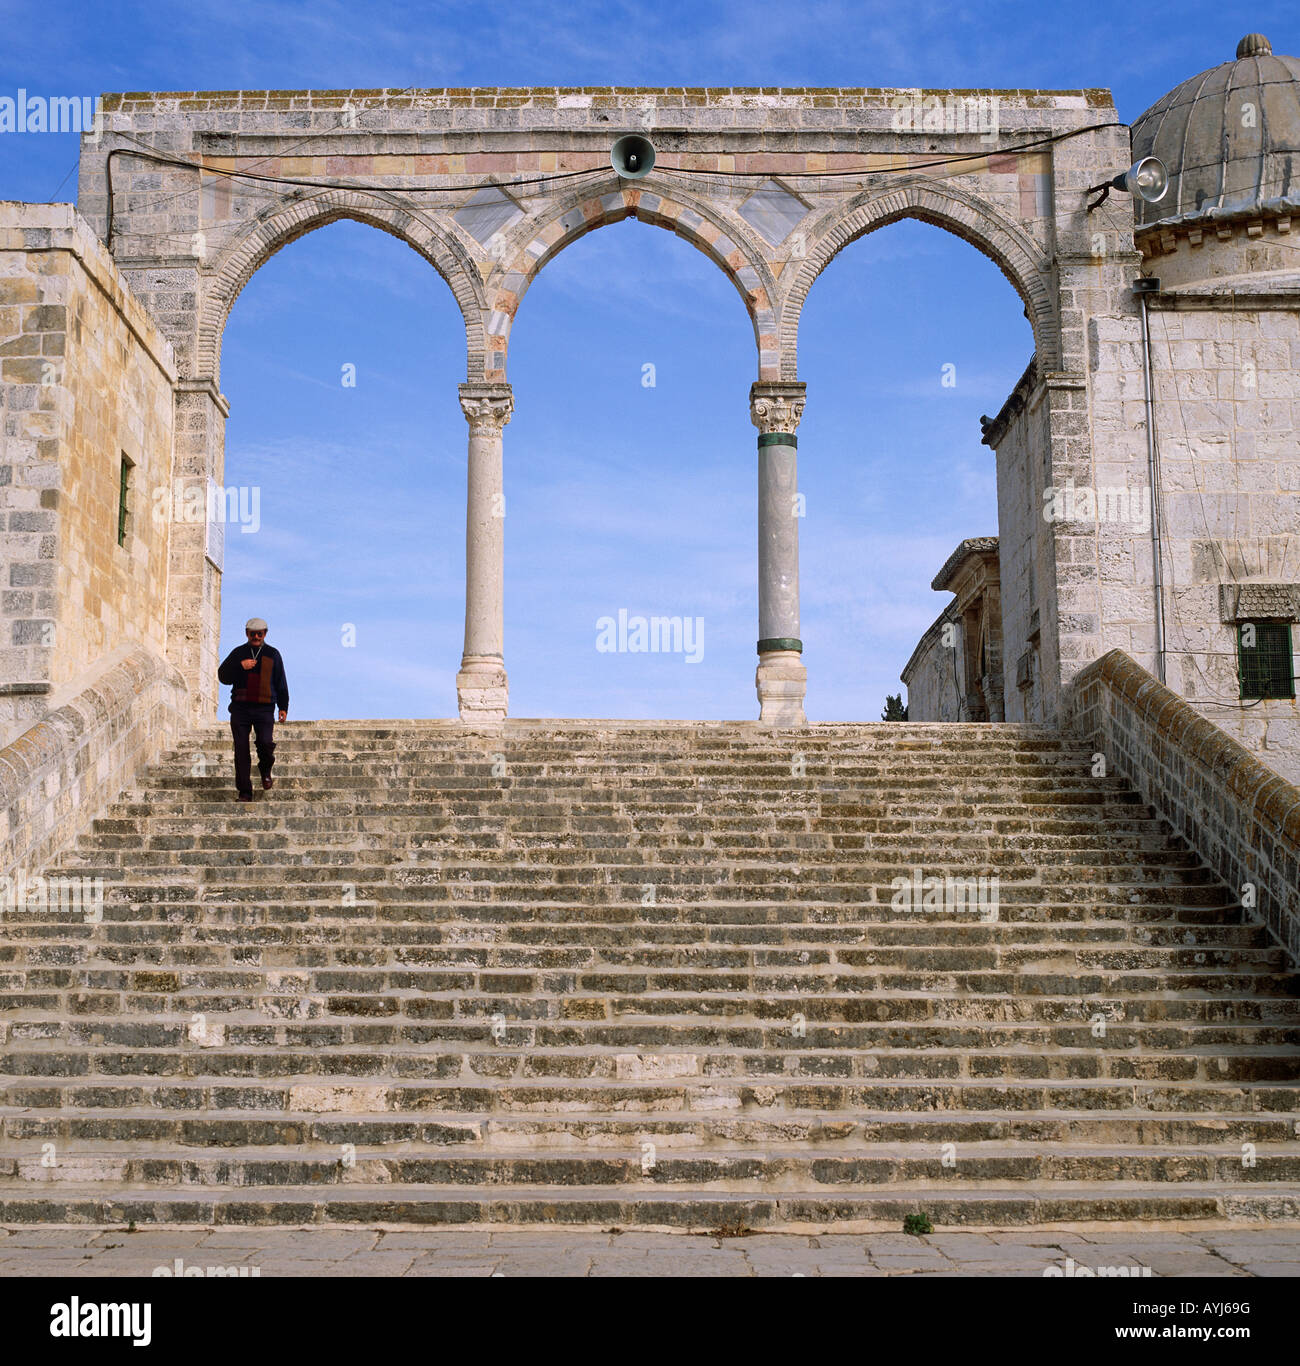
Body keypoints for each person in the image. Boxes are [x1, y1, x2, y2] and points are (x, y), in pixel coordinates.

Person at [217, 618, 289, 802]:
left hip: (265, 708)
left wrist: (283, 706)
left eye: (260, 633)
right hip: (240, 709)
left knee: (265, 743)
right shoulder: (238, 653)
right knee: (241, 750)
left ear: (265, 633)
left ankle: (265, 769)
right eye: (252, 633)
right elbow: (223, 676)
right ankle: (245, 792)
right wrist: (240, 666)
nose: (256, 637)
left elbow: (281, 682)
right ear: (246, 633)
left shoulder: (273, 654)